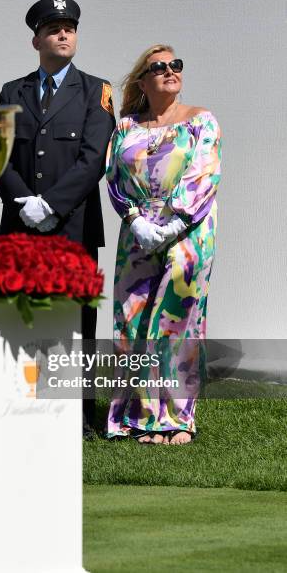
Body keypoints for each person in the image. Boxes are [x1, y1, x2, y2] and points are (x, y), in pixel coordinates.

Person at [0, 0, 115, 436]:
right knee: (22, 317)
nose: (63, 34)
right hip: (22, 225)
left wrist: (52, 205)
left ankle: (80, 416)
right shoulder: (13, 92)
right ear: (36, 40)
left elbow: (93, 159)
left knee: (77, 321)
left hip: (75, 226)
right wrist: (24, 202)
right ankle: (23, 405)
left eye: (69, 28)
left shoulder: (95, 90)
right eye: (53, 29)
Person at [105, 44, 222, 445]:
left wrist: (173, 224)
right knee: (133, 319)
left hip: (188, 231)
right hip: (137, 233)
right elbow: (114, 177)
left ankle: (175, 419)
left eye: (176, 65)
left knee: (175, 320)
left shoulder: (201, 120)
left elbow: (204, 174)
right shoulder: (125, 127)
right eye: (159, 67)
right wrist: (135, 220)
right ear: (142, 80)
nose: (170, 71)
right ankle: (138, 415)